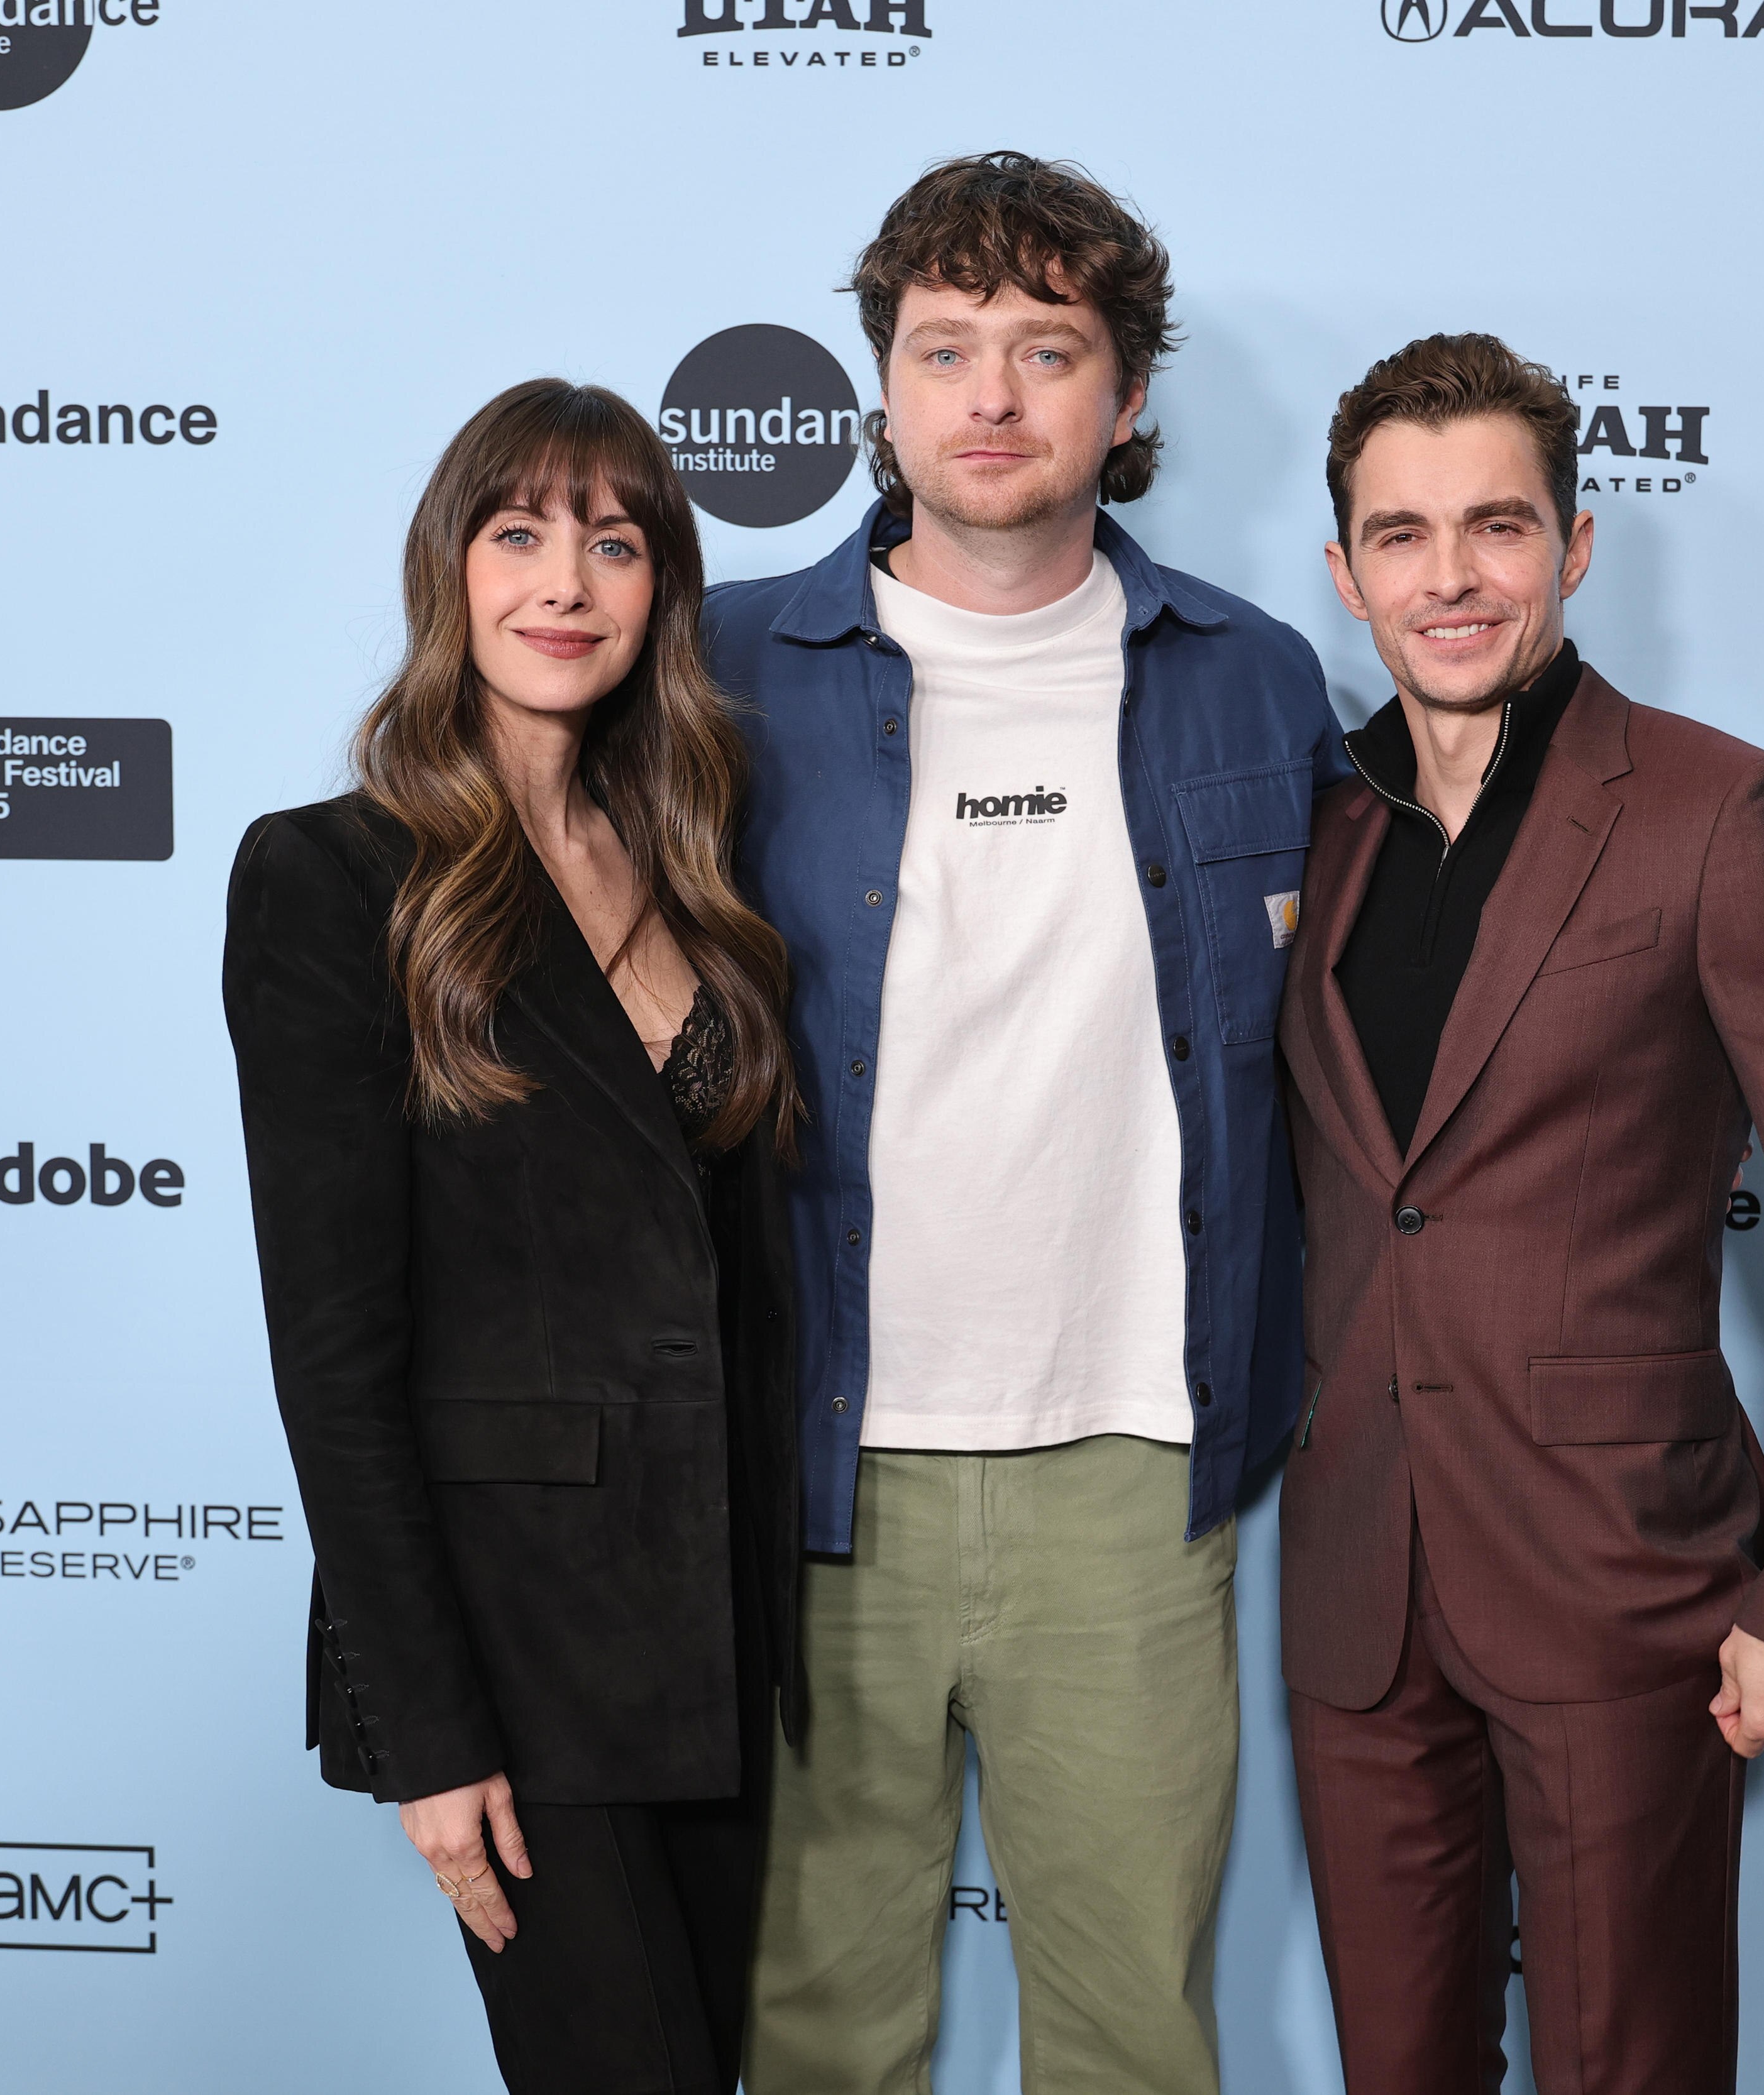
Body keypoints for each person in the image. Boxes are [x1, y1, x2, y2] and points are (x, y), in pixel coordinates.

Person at [703, 153, 1344, 2093]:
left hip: (1135, 1469)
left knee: (1133, 2039)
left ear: (1128, 399)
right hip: (818, 1465)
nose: (994, 394)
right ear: (881, 390)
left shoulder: (1257, 680)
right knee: (819, 2036)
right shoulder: (718, 674)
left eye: (1048, 350)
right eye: (947, 347)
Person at [1276, 334, 1764, 2094]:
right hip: (1361, 1592)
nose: (1451, 578)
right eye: (1403, 536)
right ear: (1343, 571)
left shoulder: (1720, 818)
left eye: (1497, 528)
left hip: (1620, 1584)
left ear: (1575, 548)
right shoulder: (1317, 827)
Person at [222, 379, 806, 2095]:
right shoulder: (332, 879)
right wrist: (431, 1733)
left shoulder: (707, 872)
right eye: (521, 532)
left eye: (615, 543)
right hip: (516, 1652)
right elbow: (335, 1354)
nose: (567, 582)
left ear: (661, 593)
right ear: (451, 568)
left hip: (714, 1632)